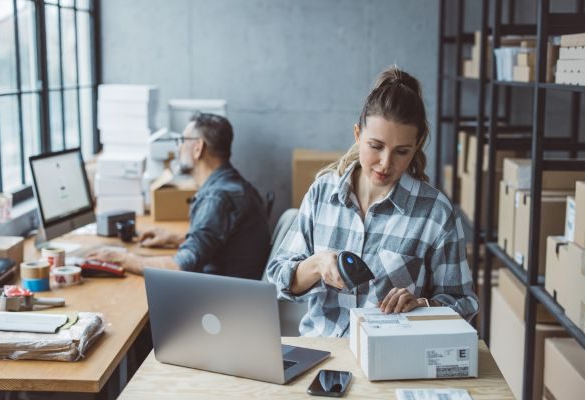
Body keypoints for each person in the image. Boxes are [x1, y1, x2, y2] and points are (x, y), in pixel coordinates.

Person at [266, 66, 478, 337]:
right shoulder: (322, 193)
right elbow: (278, 279)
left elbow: (465, 304)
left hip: (389, 360)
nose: (386, 163)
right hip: (323, 354)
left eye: (402, 151)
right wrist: (317, 265)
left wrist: (423, 306)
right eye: (375, 146)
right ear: (357, 135)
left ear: (417, 146)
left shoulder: (435, 213)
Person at [88, 113, 271, 280]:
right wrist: (175, 239)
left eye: (183, 140)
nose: (179, 148)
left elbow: (181, 267)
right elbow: (224, 243)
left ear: (198, 147)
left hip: (218, 302)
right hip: (234, 290)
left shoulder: (217, 198)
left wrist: (122, 258)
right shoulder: (234, 186)